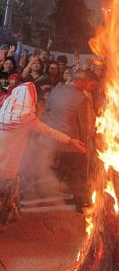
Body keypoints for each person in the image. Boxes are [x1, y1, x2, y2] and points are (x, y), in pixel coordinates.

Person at [0, 82, 85, 229]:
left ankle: (12, 214)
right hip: (8, 165)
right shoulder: (25, 118)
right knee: (7, 192)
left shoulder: (4, 110)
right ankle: (2, 222)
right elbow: (48, 132)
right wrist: (70, 140)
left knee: (8, 190)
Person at [40, 71, 93, 211]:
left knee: (56, 170)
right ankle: (80, 203)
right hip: (71, 143)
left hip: (51, 140)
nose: (87, 86)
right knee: (78, 173)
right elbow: (84, 124)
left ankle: (47, 198)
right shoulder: (81, 97)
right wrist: (85, 145)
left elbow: (47, 111)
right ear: (81, 81)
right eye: (86, 83)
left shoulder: (57, 90)